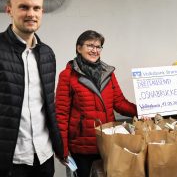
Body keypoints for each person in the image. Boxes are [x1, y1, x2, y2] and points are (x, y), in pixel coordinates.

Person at [0, 0, 63, 177]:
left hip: (44, 156)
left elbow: (48, 107)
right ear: (9, 9)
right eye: (24, 7)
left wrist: (59, 147)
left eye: (36, 8)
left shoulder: (47, 53)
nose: (31, 14)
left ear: (42, 11)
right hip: (11, 159)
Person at [55, 30, 138, 177]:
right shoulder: (67, 76)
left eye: (98, 46)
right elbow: (61, 114)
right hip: (82, 146)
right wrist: (62, 149)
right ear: (78, 48)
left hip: (107, 142)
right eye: (90, 46)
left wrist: (141, 111)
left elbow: (119, 102)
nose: (95, 50)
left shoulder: (108, 73)